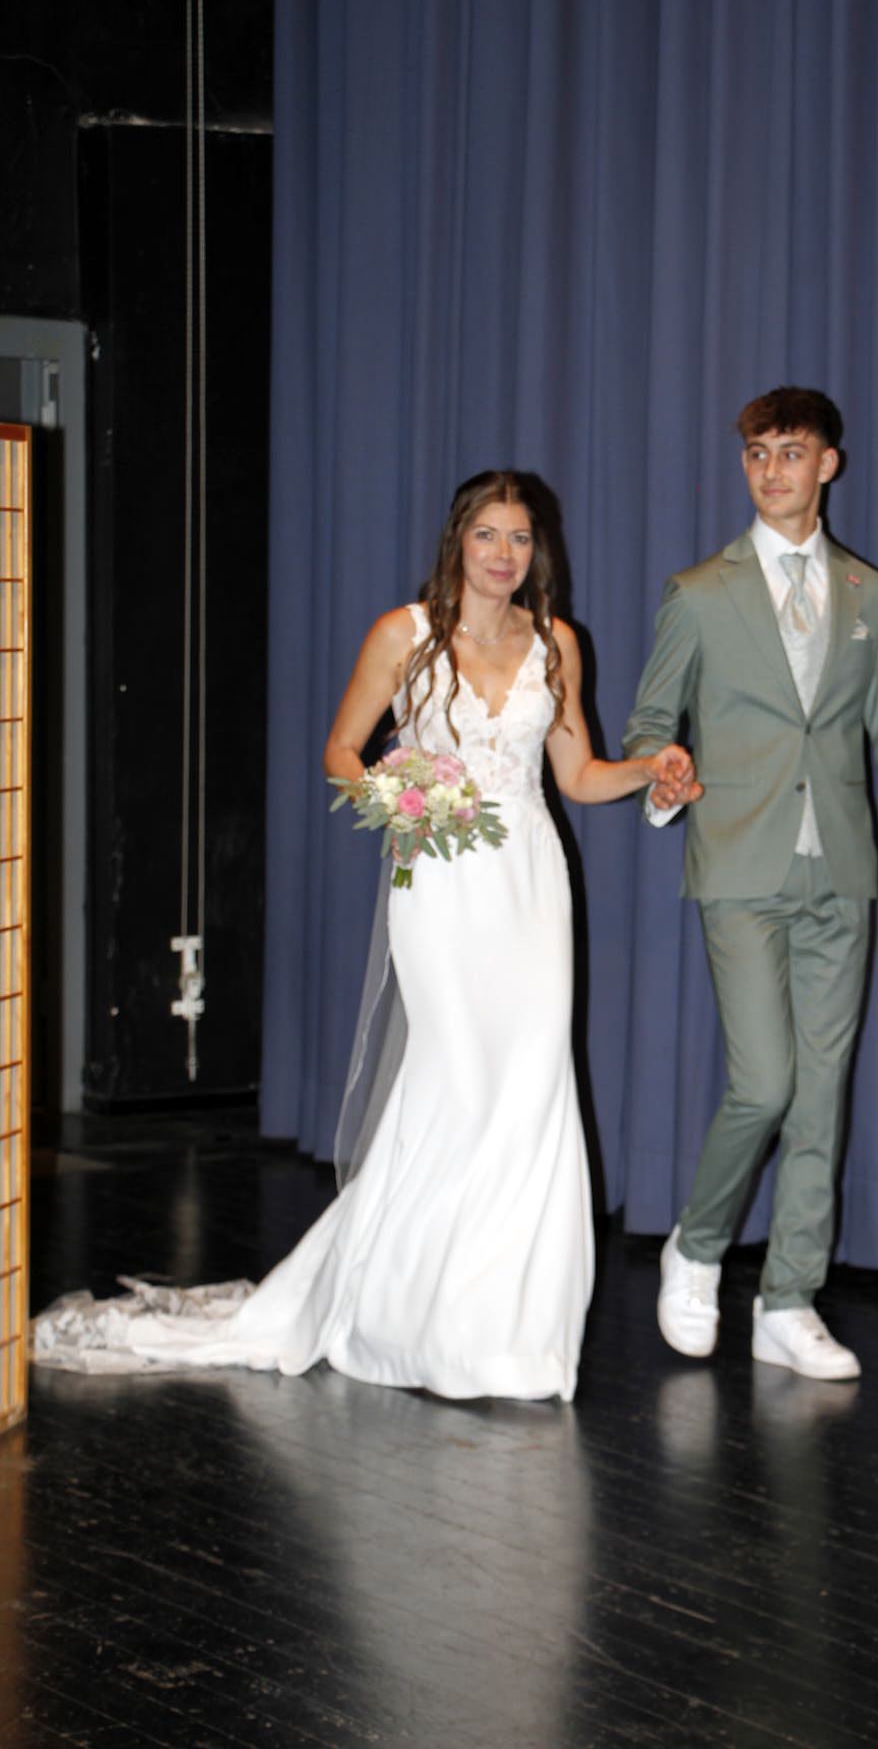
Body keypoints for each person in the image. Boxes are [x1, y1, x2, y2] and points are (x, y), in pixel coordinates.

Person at [34, 470, 695, 1401]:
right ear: (458, 539)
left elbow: (579, 773)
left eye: (520, 538)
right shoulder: (404, 633)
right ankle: (401, 1318)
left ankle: (509, 1337)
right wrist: (405, 802)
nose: (504, 554)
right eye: (488, 534)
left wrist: (652, 772)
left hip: (531, 887)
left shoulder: (557, 644)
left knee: (531, 1090)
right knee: (457, 1084)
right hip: (440, 882)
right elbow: (342, 750)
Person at [623, 387, 878, 1382]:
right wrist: (664, 772)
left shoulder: (871, 594)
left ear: (827, 465)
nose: (772, 470)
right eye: (758, 453)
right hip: (738, 864)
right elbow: (650, 724)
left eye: (791, 452)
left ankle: (790, 1297)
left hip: (842, 872)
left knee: (821, 1095)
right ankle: (697, 1246)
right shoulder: (699, 592)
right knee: (764, 1082)